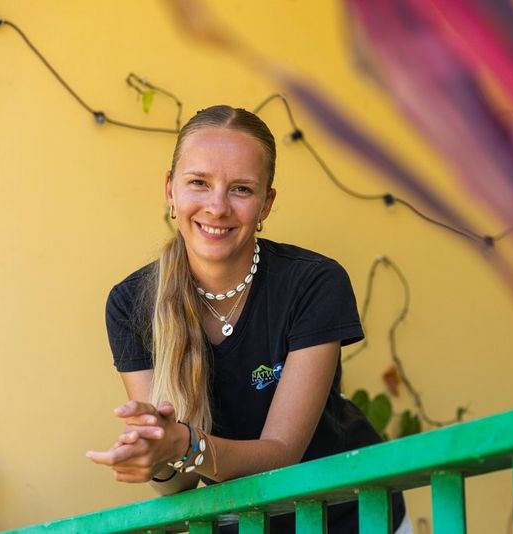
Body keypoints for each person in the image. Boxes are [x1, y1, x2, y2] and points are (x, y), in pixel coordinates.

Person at [86, 105, 409, 533]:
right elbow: (177, 483)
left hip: (354, 518)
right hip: (246, 526)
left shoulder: (313, 283)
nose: (217, 207)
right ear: (170, 190)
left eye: (241, 189)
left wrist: (185, 445)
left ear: (266, 204)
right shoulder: (131, 305)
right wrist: (160, 455)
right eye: (198, 183)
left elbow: (280, 454)